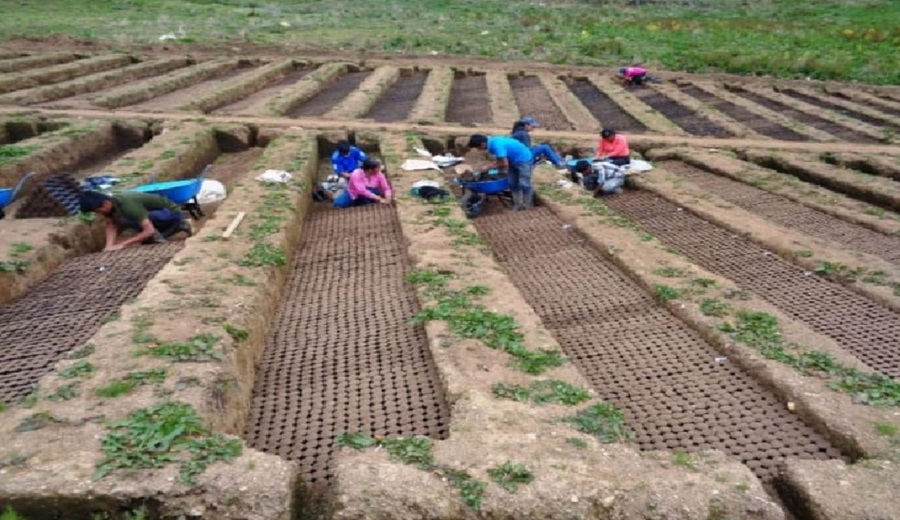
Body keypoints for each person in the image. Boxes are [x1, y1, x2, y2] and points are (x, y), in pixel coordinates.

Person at [79, 191, 191, 251]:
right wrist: (109, 246)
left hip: (171, 213)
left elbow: (149, 230)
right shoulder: (111, 205)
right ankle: (157, 235)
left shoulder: (127, 205)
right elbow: (111, 225)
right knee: (124, 221)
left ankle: (179, 225)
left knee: (133, 220)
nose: (99, 213)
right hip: (151, 217)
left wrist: (123, 244)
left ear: (105, 203)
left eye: (98, 210)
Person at [467, 134, 534, 211]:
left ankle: (528, 206)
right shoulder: (491, 143)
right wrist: (491, 166)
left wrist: (488, 167)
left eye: (478, 147)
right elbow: (500, 160)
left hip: (523, 159)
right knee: (512, 183)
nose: (479, 150)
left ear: (483, 144)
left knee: (524, 183)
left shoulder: (496, 145)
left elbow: (504, 164)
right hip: (512, 159)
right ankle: (518, 204)